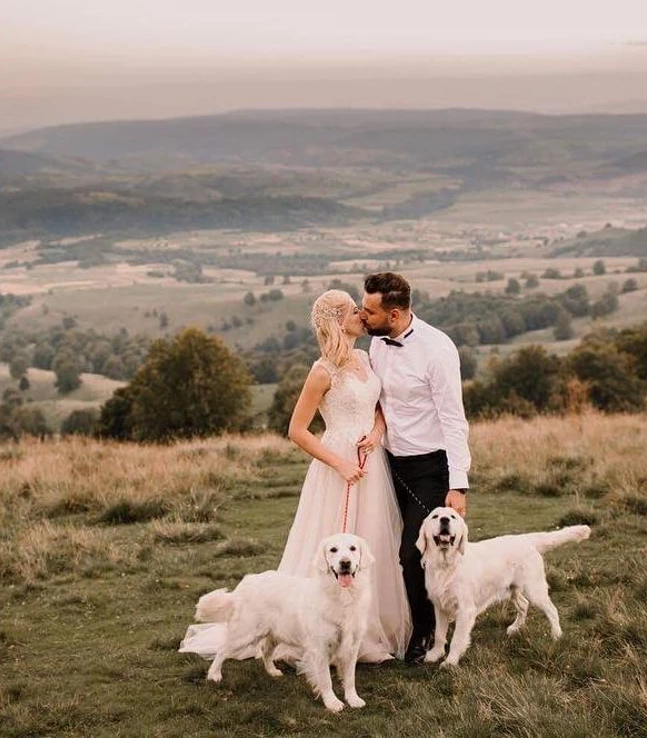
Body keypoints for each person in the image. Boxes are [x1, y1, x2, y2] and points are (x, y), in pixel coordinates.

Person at [180, 289, 410, 662]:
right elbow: (297, 430)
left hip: (371, 460)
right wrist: (339, 463)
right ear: (338, 322)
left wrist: (378, 432)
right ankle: (316, 631)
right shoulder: (322, 371)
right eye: (354, 311)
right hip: (338, 463)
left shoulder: (366, 359)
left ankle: (368, 629)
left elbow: (380, 407)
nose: (361, 315)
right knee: (333, 541)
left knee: (373, 541)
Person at [360, 272, 471, 665]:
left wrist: (459, 485)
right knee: (383, 546)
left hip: (429, 467)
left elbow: (454, 420)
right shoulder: (375, 344)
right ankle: (393, 622)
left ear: (393, 314)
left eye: (368, 311)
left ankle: (425, 635)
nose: (362, 316)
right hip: (386, 463)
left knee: (414, 552)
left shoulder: (437, 349)